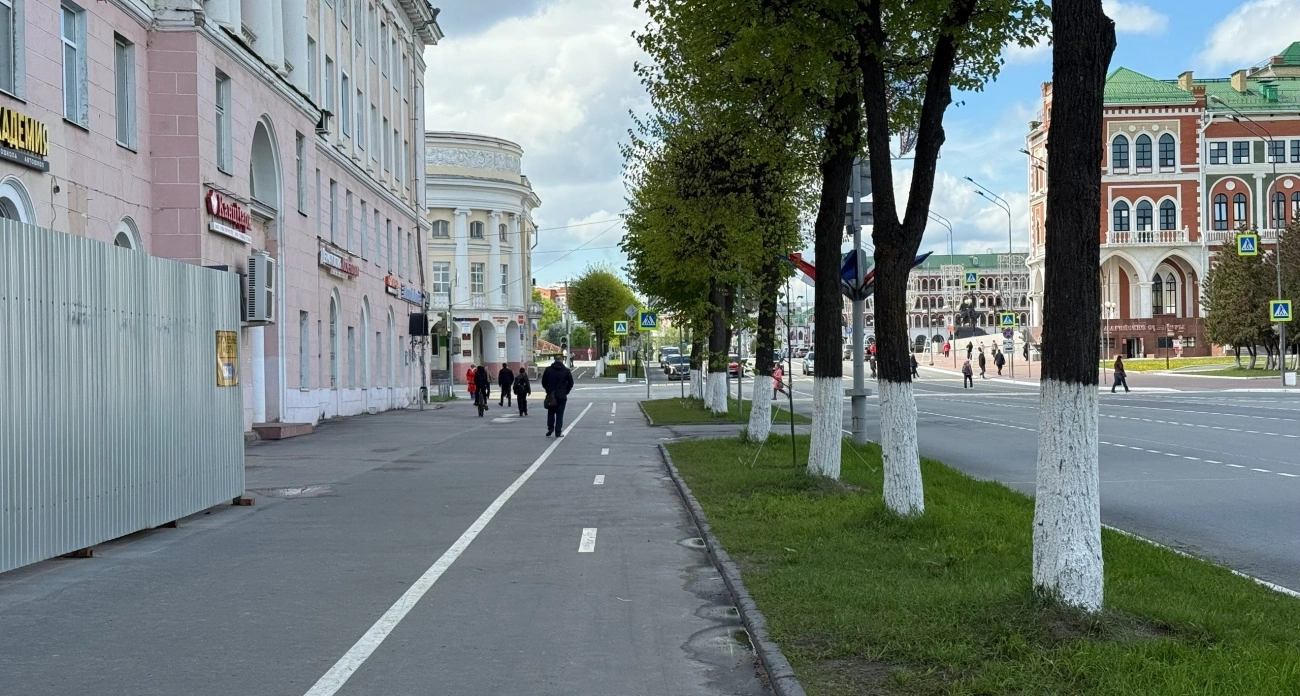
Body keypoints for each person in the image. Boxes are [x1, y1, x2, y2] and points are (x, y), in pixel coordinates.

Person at [541, 355, 574, 437]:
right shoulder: (566, 371)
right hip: (561, 395)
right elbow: (571, 383)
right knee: (560, 414)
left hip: (551, 394)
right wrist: (566, 391)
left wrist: (548, 390)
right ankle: (558, 431)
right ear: (562, 360)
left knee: (551, 412)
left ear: (554, 361)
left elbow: (543, 382)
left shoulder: (548, 370)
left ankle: (550, 427)